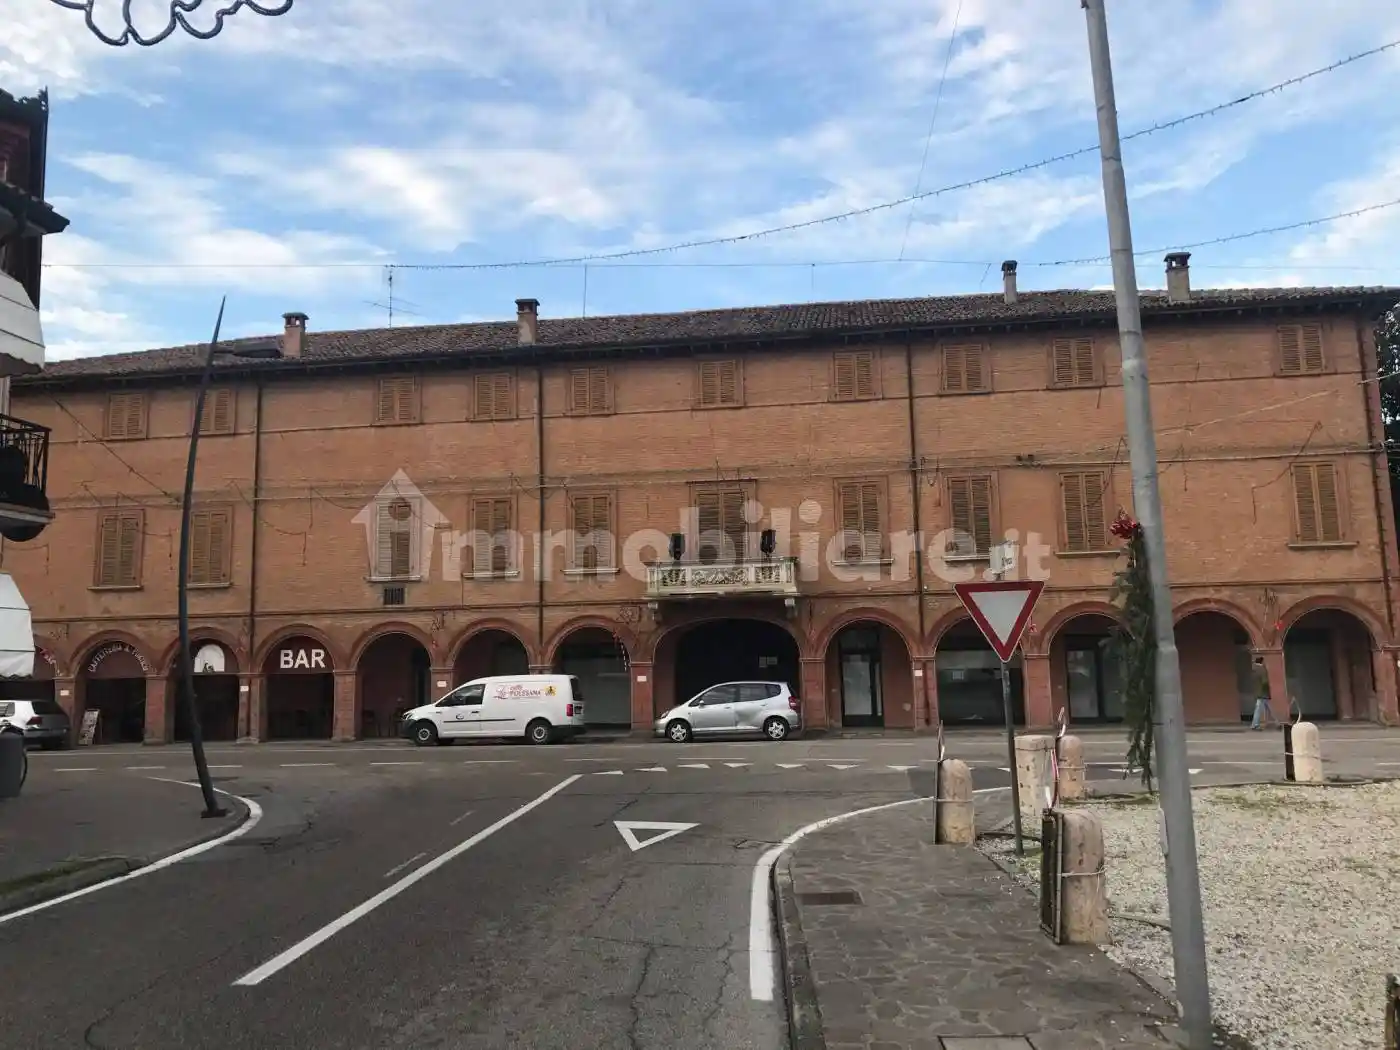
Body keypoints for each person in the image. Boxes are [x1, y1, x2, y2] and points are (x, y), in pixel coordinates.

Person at [1249, 655, 1274, 730]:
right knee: (1259, 709)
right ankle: (1255, 724)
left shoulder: (1253, 669)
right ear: (1262, 661)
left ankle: (1277, 723)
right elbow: (1265, 681)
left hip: (1258, 692)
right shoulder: (1262, 669)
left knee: (1269, 708)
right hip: (1263, 693)